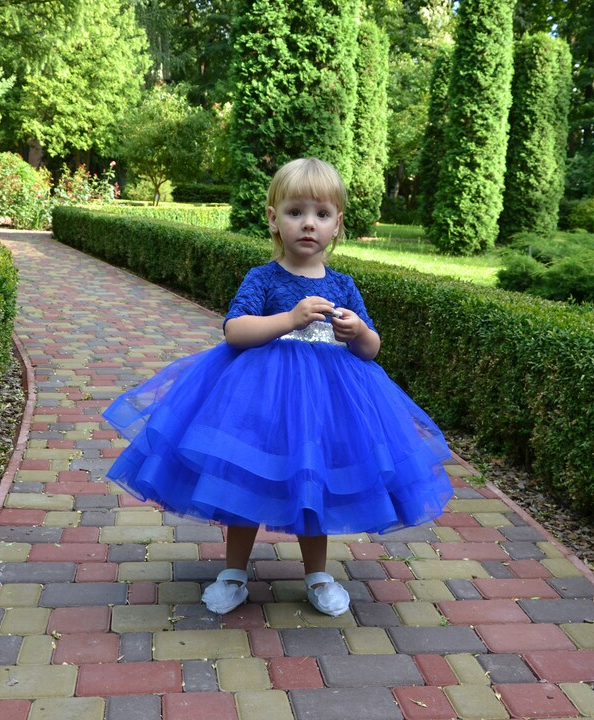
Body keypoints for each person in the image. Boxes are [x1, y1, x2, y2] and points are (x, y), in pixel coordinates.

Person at [102, 157, 453, 617]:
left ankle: (317, 575)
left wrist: (358, 332)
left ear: (337, 225)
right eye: (295, 212)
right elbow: (235, 330)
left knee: (314, 478)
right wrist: (289, 318)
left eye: (322, 214)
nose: (309, 224)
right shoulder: (263, 278)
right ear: (273, 218)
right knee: (245, 476)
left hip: (327, 403)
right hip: (262, 399)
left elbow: (371, 349)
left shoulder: (343, 285)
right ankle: (233, 573)